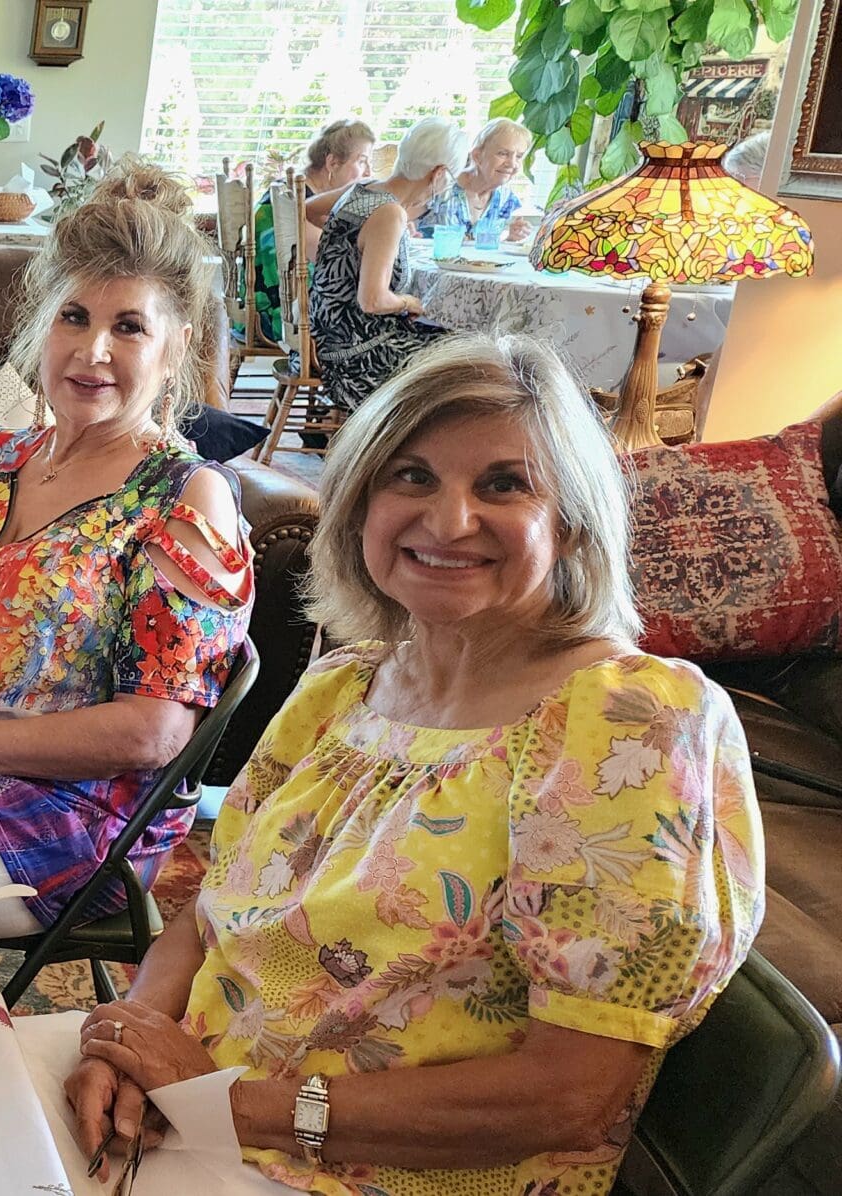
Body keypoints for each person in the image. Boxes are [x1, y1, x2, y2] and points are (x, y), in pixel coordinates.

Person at [60, 335, 763, 1195]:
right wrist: (130, 1041)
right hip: (199, 1110)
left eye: (503, 484)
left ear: (573, 520)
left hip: (366, 1173)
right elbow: (213, 908)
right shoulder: (343, 685)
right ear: (361, 507)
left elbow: (572, 1096)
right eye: (412, 476)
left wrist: (229, 1107)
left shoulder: (630, 725)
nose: (449, 520)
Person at [0, 163, 255, 937]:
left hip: (63, 814)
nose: (93, 351)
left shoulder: (181, 501)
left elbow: (152, 733)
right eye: (74, 317)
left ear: (175, 348)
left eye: (130, 327)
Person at [306, 117, 465, 411]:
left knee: (458, 343)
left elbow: (308, 210)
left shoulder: (363, 188)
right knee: (471, 362)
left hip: (329, 340)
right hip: (358, 359)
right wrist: (409, 302)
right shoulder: (389, 214)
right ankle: (412, 435)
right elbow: (373, 301)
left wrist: (348, 248)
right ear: (439, 173)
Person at [247, 119, 376, 345]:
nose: (369, 172)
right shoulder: (296, 203)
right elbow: (338, 261)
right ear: (332, 162)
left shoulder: (291, 192)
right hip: (280, 319)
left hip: (269, 310)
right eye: (362, 161)